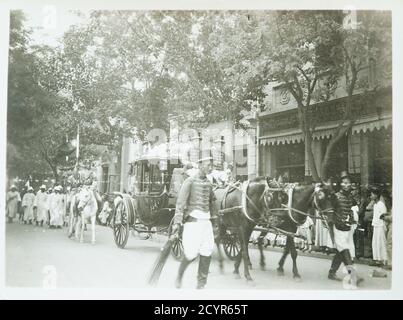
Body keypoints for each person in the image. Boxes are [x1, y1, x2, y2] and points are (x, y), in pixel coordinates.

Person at [171, 157, 217, 289]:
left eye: (212, 165)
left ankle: (201, 284)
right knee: (191, 254)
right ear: (200, 165)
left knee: (207, 251)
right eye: (209, 165)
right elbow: (180, 203)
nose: (211, 167)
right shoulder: (189, 181)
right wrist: (177, 222)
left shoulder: (209, 183)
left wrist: (215, 222)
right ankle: (179, 275)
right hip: (193, 222)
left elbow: (212, 202)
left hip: (206, 223)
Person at [328, 172, 362, 285]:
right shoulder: (335, 196)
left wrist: (352, 218)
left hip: (346, 228)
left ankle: (331, 272)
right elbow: (329, 211)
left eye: (349, 182)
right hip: (337, 227)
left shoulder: (350, 197)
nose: (347, 185)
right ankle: (352, 276)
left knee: (340, 251)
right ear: (341, 184)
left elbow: (350, 210)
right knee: (344, 250)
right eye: (345, 182)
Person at [370, 188, 388, 266]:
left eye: (372, 194)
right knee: (375, 243)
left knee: (381, 243)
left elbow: (384, 215)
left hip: (380, 226)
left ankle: (383, 260)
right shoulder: (375, 205)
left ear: (376, 195)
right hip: (376, 225)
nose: (371, 196)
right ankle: (377, 259)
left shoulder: (381, 204)